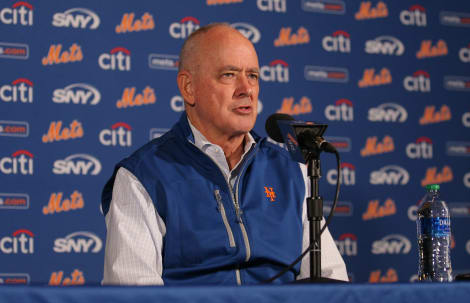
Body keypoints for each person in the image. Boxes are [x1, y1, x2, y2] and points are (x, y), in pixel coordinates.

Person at [101, 23, 347, 285]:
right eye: (229, 74)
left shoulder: (291, 170)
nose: (246, 89)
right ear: (188, 88)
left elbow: (331, 280)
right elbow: (134, 299)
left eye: (252, 75)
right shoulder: (143, 176)